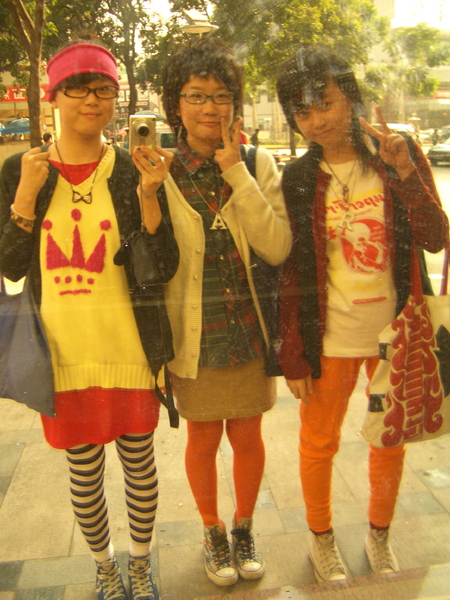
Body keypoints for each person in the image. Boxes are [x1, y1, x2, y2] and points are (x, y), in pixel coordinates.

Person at [0, 39, 178, 600]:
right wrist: (25, 199)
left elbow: (163, 265)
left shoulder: (130, 170)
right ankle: (104, 569)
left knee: (140, 465)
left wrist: (150, 195)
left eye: (103, 89)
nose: (91, 100)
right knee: (83, 471)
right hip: (62, 354)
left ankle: (140, 566)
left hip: (129, 348)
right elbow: (9, 267)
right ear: (53, 97)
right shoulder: (21, 170)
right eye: (77, 88)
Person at [276, 45, 448, 583]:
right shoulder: (299, 177)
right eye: (303, 112)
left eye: (325, 103)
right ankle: (321, 538)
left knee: (388, 438)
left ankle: (379, 534)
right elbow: (292, 270)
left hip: (395, 334)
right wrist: (293, 354)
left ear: (350, 97)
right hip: (328, 337)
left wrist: (406, 173)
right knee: (318, 442)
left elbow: (436, 238)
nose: (317, 120)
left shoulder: (395, 153)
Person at [159, 37, 292, 587]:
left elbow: (276, 247)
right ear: (176, 104)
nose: (209, 108)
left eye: (220, 96)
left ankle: (244, 527)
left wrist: (237, 172)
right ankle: (212, 530)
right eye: (196, 95)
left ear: (235, 103)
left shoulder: (257, 162)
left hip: (248, 328)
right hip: (194, 333)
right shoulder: (160, 168)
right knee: (202, 437)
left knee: (248, 433)